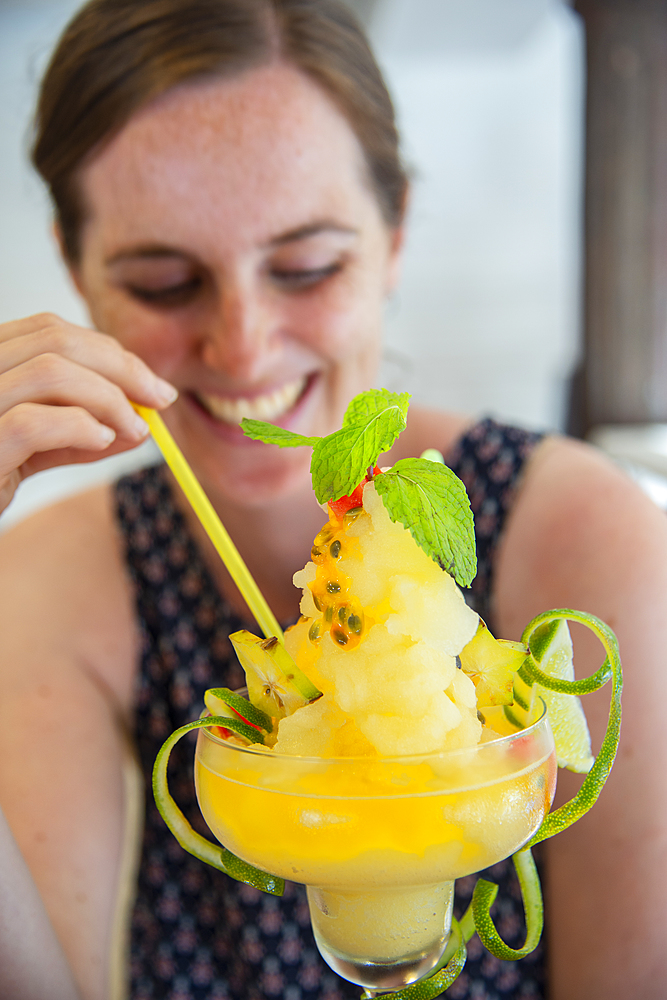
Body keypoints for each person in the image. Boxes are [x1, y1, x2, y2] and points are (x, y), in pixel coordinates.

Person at [0, 1, 666, 998]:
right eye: (164, 280)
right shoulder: (50, 580)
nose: (245, 346)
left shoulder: (581, 532)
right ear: (77, 269)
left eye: (307, 265)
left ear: (394, 236)